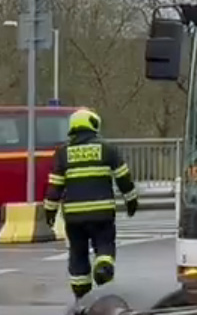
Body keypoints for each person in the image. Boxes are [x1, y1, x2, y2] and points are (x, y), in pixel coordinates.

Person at [41, 109, 139, 300]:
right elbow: (124, 178)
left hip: (74, 216)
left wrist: (49, 211)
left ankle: (81, 294)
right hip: (102, 213)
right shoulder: (107, 149)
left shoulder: (63, 153)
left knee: (78, 253)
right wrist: (131, 201)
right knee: (105, 244)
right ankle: (103, 268)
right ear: (94, 125)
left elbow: (55, 186)